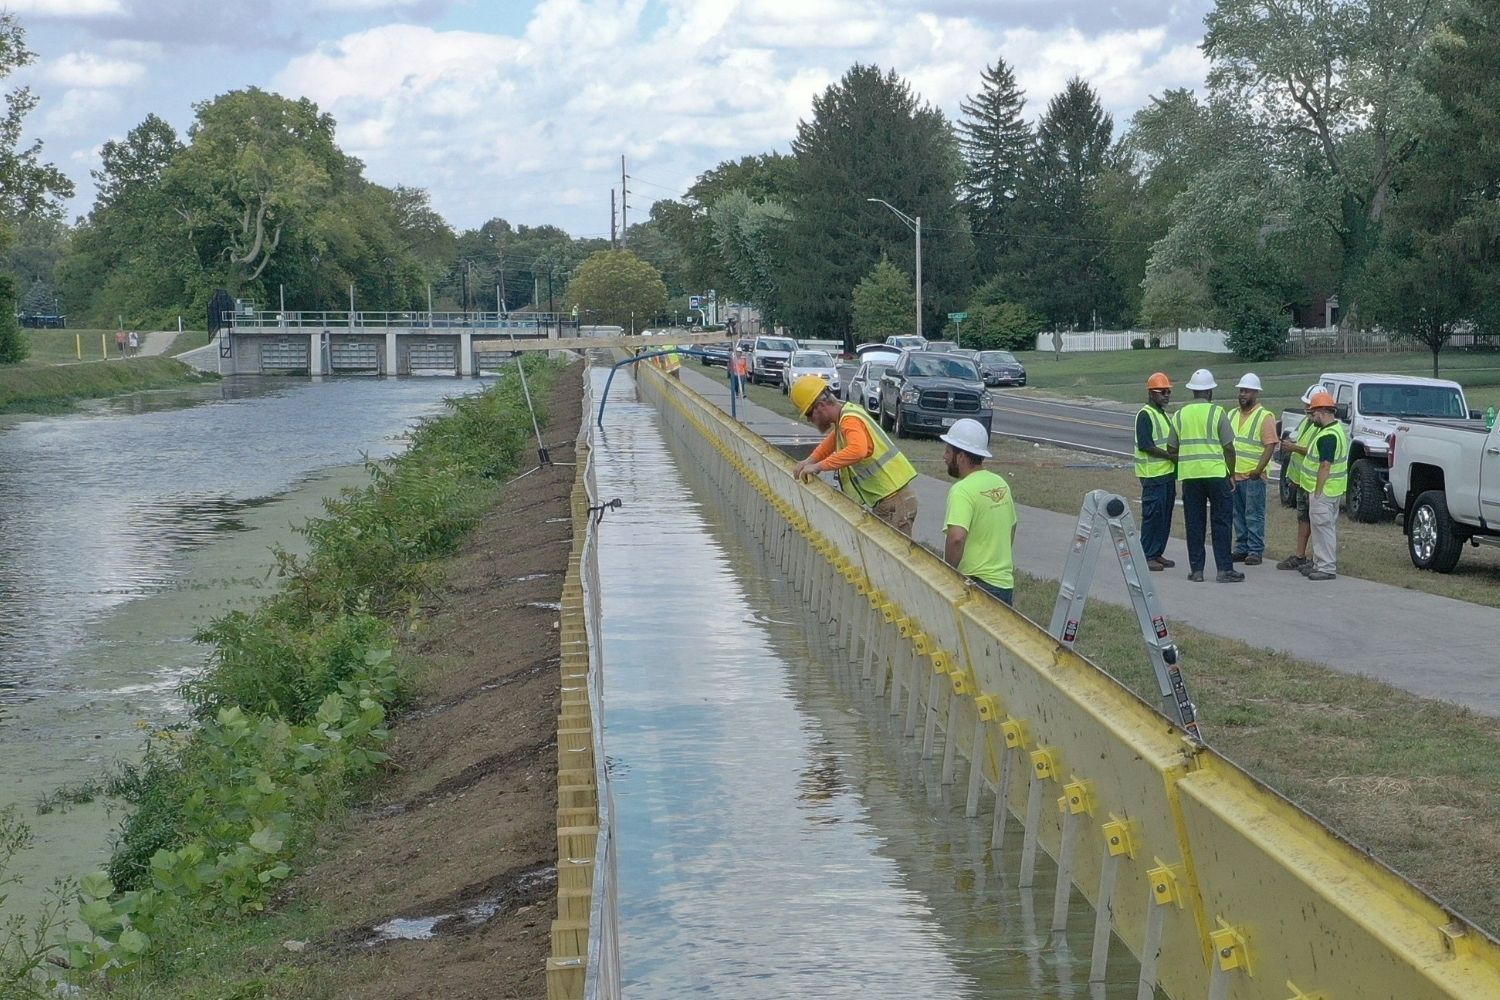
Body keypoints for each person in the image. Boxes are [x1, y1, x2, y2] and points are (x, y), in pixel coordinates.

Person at [789, 375, 919, 536]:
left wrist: (818, 466)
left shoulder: (849, 419)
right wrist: (810, 460)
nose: (810, 420)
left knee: (884, 558)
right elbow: (833, 439)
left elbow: (858, 450)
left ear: (821, 406)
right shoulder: (847, 415)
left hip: (894, 503)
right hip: (892, 501)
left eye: (809, 414)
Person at [1173, 368, 1243, 583]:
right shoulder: (1217, 413)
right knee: (1221, 521)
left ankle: (1197, 571)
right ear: (1210, 391)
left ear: (1192, 391)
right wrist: (1230, 473)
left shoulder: (1179, 415)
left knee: (1194, 522)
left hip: (1191, 477)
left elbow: (1171, 448)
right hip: (1215, 474)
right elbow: (1229, 448)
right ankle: (1224, 570)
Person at [939, 418, 1018, 605]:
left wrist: (946, 572)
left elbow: (956, 538)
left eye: (948, 451)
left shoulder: (962, 490)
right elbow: (1012, 527)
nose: (944, 457)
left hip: (977, 585)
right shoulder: (1000, 483)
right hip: (1004, 586)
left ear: (961, 457)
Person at [1283, 390, 1348, 581]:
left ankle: (1326, 567)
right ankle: (1320, 564)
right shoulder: (1334, 431)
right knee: (1321, 528)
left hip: (1323, 491)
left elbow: (1325, 465)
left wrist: (1318, 491)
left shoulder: (1328, 435)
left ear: (1322, 412)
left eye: (1313, 413)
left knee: (1323, 528)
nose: (1312, 417)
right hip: (1330, 490)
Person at [1276, 384, 1326, 573]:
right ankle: (1300, 556)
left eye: (1309, 405)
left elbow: (1315, 452)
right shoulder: (1308, 422)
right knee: (1303, 519)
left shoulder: (1322, 427)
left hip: (1315, 483)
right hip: (1302, 481)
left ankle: (1318, 560)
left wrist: (1293, 448)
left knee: (1317, 522)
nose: (1306, 408)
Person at [1229, 373, 1278, 565]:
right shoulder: (1232, 414)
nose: (1243, 394)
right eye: (1241, 390)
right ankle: (1241, 548)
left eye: (1247, 391)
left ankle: (1255, 550)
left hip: (1253, 476)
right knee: (1237, 515)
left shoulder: (1264, 416)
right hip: (1235, 475)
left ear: (1256, 393)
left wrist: (1259, 470)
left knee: (1254, 514)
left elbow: (1270, 444)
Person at [1135, 372, 1178, 572]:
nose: (1167, 395)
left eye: (1168, 392)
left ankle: (1157, 552)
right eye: (1163, 392)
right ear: (1152, 393)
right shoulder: (1145, 415)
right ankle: (1147, 554)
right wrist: (1170, 456)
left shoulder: (1162, 414)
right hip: (1152, 475)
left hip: (1167, 475)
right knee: (1152, 515)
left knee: (1165, 516)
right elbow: (1146, 445)